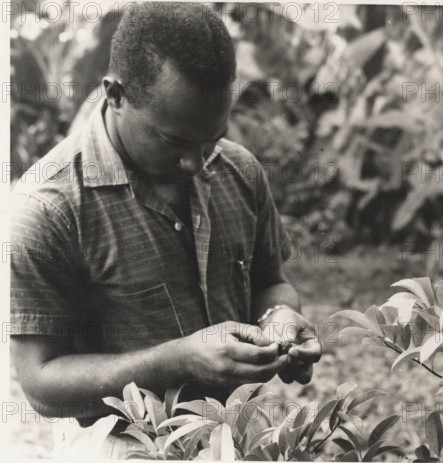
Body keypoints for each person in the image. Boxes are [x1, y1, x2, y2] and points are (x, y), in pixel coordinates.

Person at [10, 3, 321, 459]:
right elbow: (41, 385)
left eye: (212, 136)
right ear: (115, 95)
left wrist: (281, 322)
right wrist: (179, 359)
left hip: (235, 436)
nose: (197, 162)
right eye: (174, 141)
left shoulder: (240, 170)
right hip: (119, 446)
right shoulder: (47, 210)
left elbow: (270, 282)